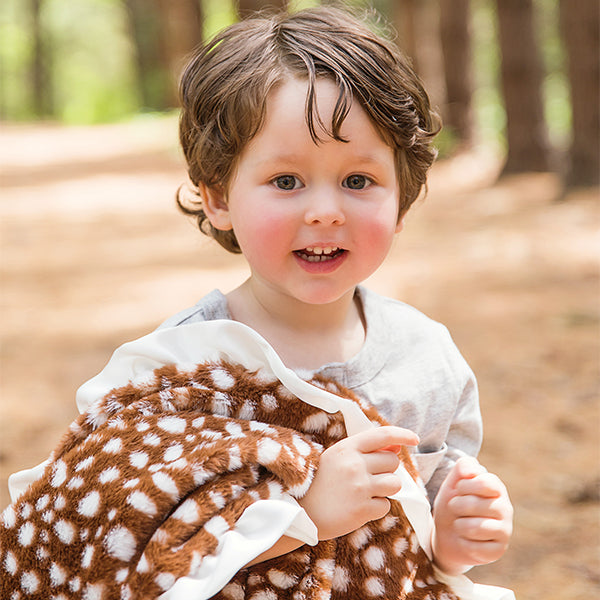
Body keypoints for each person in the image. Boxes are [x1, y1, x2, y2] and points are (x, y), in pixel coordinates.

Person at [167, 3, 513, 578]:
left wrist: (459, 538)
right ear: (219, 197)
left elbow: (426, 542)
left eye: (358, 180)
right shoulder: (183, 367)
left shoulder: (425, 359)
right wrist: (303, 514)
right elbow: (140, 551)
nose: (325, 212)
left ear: (401, 198)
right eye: (286, 181)